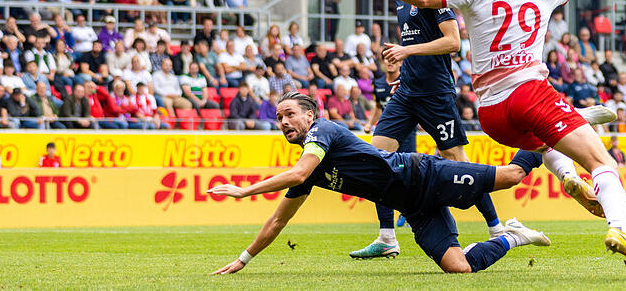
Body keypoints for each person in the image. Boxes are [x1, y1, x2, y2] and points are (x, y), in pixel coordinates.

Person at [340, 0, 626, 275]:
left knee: (543, 143)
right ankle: (620, 228)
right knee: (601, 162)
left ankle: (568, 173)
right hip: (529, 94)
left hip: (492, 113)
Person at [208, 92, 552, 275]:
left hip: (423, 174)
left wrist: (245, 190)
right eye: (279, 117)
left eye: (290, 114)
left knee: (512, 176)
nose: (283, 121)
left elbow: (297, 173)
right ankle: (513, 236)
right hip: (414, 207)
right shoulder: (309, 166)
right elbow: (277, 220)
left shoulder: (321, 131)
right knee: (457, 266)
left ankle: (550, 133)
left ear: (310, 116)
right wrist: (244, 259)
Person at [349, 0, 503, 259]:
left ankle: (497, 228)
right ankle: (387, 237)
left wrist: (407, 52)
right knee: (376, 159)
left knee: (458, 162)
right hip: (407, 92)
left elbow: (453, 42)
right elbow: (416, 45)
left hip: (435, 94)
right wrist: (405, 74)